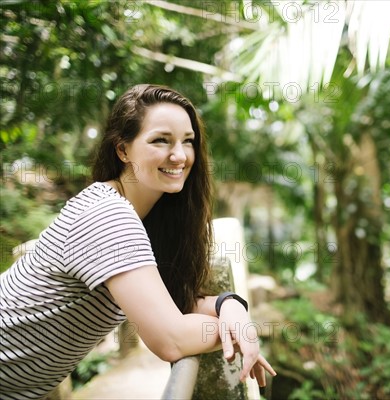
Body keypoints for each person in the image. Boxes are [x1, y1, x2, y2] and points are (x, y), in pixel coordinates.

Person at [0, 84, 276, 399]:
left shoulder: (143, 216)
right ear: (123, 150)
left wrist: (230, 306)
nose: (179, 155)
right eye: (161, 140)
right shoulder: (107, 215)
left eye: (188, 141)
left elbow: (175, 300)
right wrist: (239, 334)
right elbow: (170, 339)